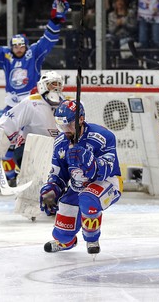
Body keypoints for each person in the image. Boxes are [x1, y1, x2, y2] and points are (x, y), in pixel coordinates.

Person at [0, 0, 69, 193]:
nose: (18, 49)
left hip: (34, 107)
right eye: (15, 46)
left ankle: (50, 176)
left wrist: (55, 21)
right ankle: (10, 178)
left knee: (44, 141)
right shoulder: (6, 57)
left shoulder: (34, 53)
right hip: (12, 108)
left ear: (26, 46)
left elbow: (48, 40)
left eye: (21, 46)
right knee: (4, 142)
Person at [40, 100, 122, 255]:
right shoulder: (60, 143)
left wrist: (90, 162)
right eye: (61, 125)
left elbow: (109, 168)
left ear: (81, 119)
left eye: (69, 124)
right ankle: (67, 242)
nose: (65, 130)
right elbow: (58, 174)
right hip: (77, 186)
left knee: (87, 199)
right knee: (61, 235)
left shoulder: (103, 136)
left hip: (107, 182)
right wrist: (52, 188)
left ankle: (92, 238)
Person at [0, 71, 65, 184]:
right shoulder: (32, 103)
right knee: (35, 184)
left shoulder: (66, 104)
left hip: (54, 151)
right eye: (52, 84)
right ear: (43, 85)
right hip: (28, 150)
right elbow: (9, 121)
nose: (56, 87)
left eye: (58, 84)